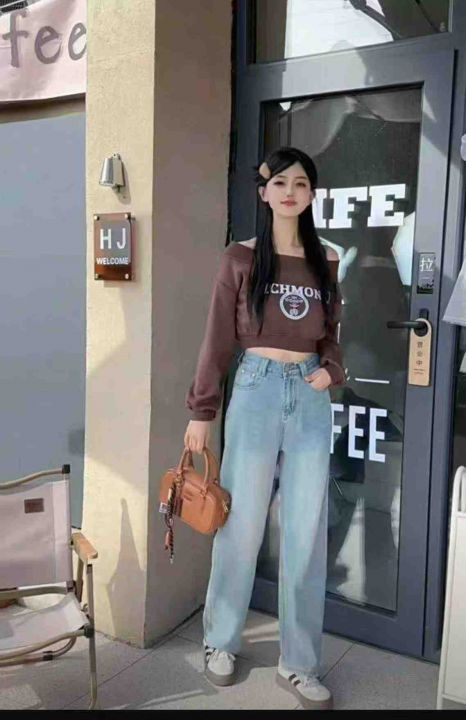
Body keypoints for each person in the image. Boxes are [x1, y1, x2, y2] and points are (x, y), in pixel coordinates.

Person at [184, 146, 346, 711]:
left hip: (310, 396)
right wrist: (202, 410)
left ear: (311, 194)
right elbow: (218, 336)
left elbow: (332, 333)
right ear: (264, 193)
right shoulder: (241, 257)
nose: (290, 192)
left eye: (300, 184)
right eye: (280, 183)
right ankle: (221, 640)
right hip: (255, 389)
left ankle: (299, 663)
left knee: (306, 532)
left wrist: (332, 370)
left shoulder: (326, 258)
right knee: (241, 525)